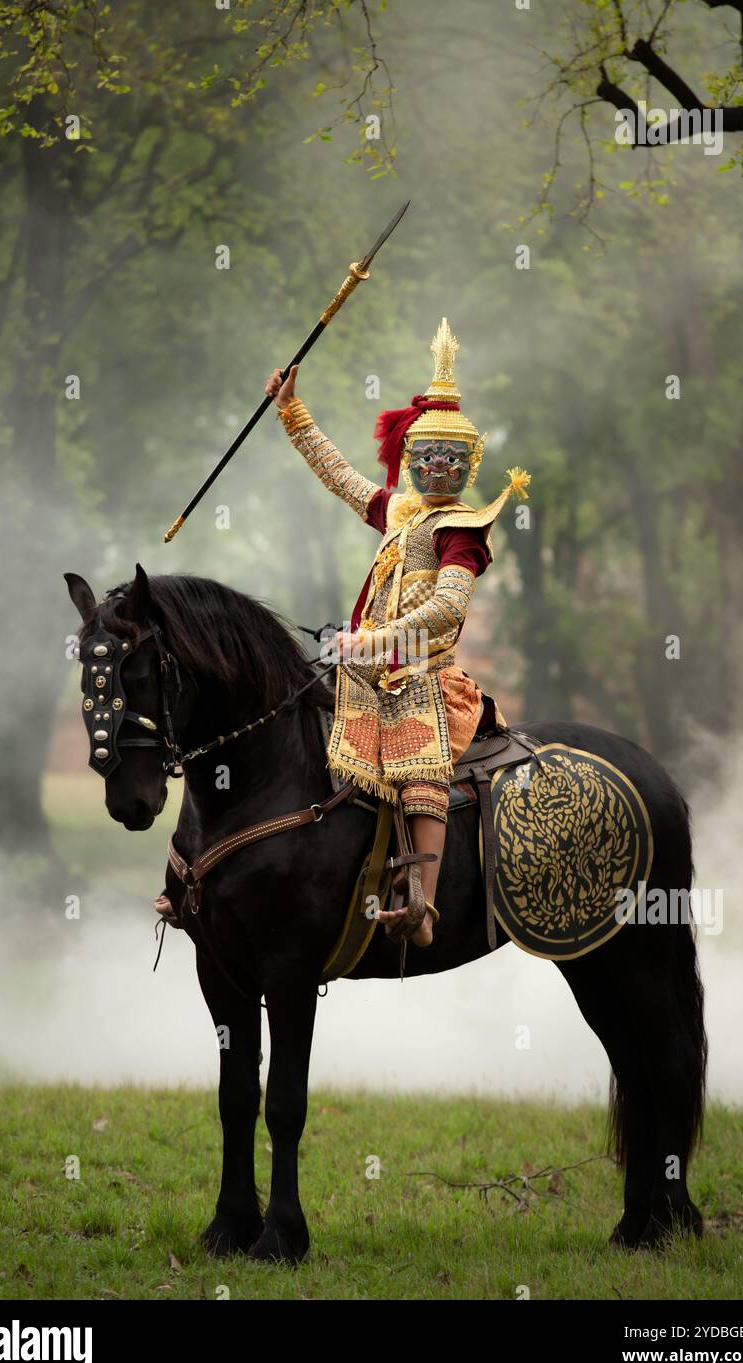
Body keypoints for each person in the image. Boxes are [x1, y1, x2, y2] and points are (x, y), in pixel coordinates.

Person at [262, 317, 530, 947]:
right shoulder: (401, 512)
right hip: (362, 668)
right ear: (410, 458)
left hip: (424, 676)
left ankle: (422, 906)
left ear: (470, 463)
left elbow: (443, 609)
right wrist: (293, 413)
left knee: (418, 770)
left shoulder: (465, 527)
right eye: (426, 454)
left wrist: (374, 642)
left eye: (451, 457)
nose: (437, 465)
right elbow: (342, 478)